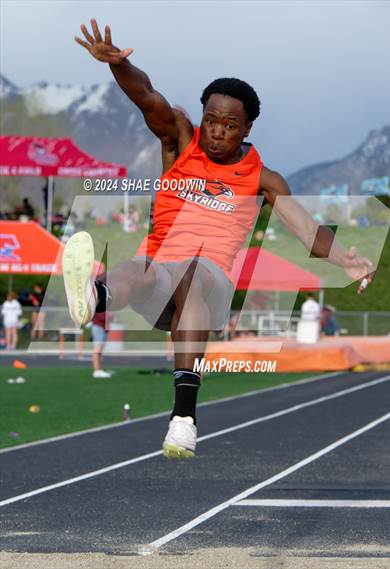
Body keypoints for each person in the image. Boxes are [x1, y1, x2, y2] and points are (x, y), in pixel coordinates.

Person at [66, 19, 374, 459]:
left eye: (229, 125)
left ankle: (183, 420)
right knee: (140, 266)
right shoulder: (180, 142)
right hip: (159, 281)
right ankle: (93, 297)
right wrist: (120, 66)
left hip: (207, 286)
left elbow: (308, 231)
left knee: (192, 273)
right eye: (210, 120)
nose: (216, 131)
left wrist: (346, 259)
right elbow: (146, 96)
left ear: (247, 129)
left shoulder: (264, 180)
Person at [91, 311, 113, 378]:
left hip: (101, 327)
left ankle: (99, 369)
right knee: (97, 350)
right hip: (98, 327)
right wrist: (109, 316)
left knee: (99, 350)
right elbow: (101, 316)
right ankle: (97, 371)